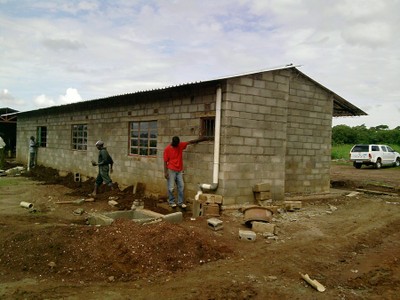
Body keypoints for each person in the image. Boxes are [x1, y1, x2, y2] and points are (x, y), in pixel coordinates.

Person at [163, 136, 210, 208]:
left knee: (181, 186)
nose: (177, 145)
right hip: (171, 170)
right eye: (176, 144)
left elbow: (190, 142)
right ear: (173, 142)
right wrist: (165, 172)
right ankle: (171, 201)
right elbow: (165, 161)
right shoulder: (167, 149)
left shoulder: (180, 145)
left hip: (179, 170)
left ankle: (180, 202)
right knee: (171, 187)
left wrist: (201, 139)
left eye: (178, 144)